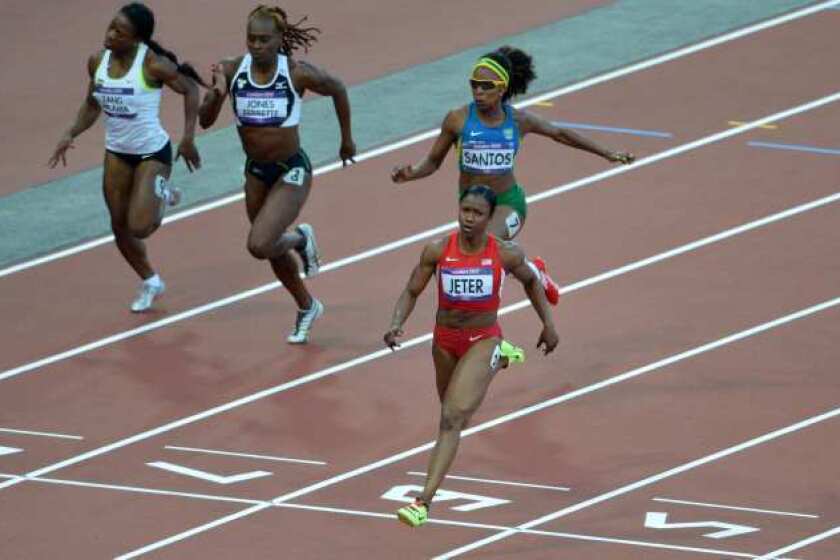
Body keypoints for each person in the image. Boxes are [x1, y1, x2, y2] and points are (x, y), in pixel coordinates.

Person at [391, 46, 636, 306]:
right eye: (474, 85)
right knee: (475, 257)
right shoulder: (457, 120)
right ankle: (534, 271)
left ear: (502, 88)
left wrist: (607, 153)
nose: (478, 91)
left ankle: (505, 305)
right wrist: (411, 173)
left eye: (486, 86)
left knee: (487, 249)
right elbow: (432, 162)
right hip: (472, 206)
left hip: (508, 203)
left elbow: (560, 134)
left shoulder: (518, 121)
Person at [384, 185, 559, 528]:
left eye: (477, 213)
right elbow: (411, 290)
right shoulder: (437, 250)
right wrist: (396, 323)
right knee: (454, 416)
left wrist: (548, 325)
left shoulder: (505, 253)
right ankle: (503, 358)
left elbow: (530, 283)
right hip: (445, 340)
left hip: (483, 337)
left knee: (451, 418)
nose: (469, 218)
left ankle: (422, 502)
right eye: (465, 210)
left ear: (489, 217)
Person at [199, 4, 356, 344]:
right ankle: (307, 305)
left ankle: (300, 238)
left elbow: (338, 88)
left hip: (292, 170)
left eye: (264, 40)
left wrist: (346, 139)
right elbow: (205, 120)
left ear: (279, 39)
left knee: (260, 243)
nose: (256, 46)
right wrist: (215, 94)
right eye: (251, 39)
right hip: (256, 172)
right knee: (270, 247)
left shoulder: (296, 72)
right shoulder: (231, 70)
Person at [49, 2, 204, 312]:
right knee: (119, 226)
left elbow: (189, 90)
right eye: (111, 26)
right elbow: (93, 104)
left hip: (152, 152)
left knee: (140, 226)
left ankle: (163, 193)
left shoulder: (153, 65)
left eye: (119, 32)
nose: (110, 35)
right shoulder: (97, 61)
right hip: (117, 153)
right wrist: (71, 133)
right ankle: (151, 280)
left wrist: (188, 137)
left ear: (137, 39)